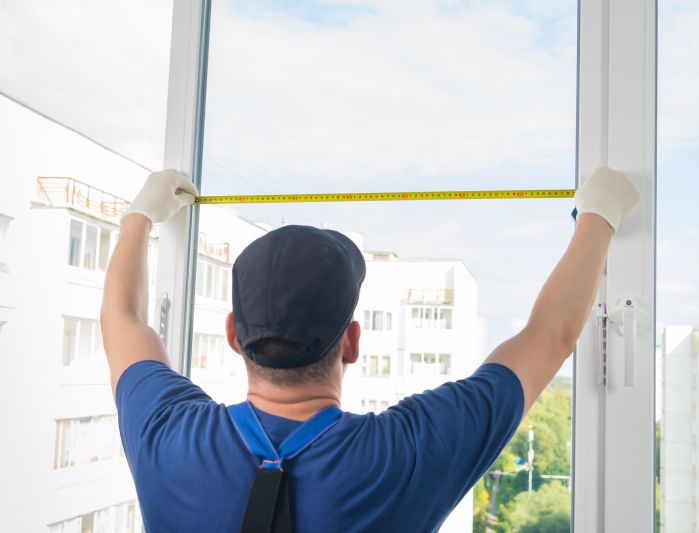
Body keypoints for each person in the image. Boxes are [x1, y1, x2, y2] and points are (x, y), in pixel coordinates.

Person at [101, 167, 639, 532]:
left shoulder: (165, 434)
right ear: (352, 342)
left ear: (234, 336)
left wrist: (138, 218)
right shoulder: (404, 455)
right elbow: (550, 335)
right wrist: (598, 216)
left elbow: (121, 319)